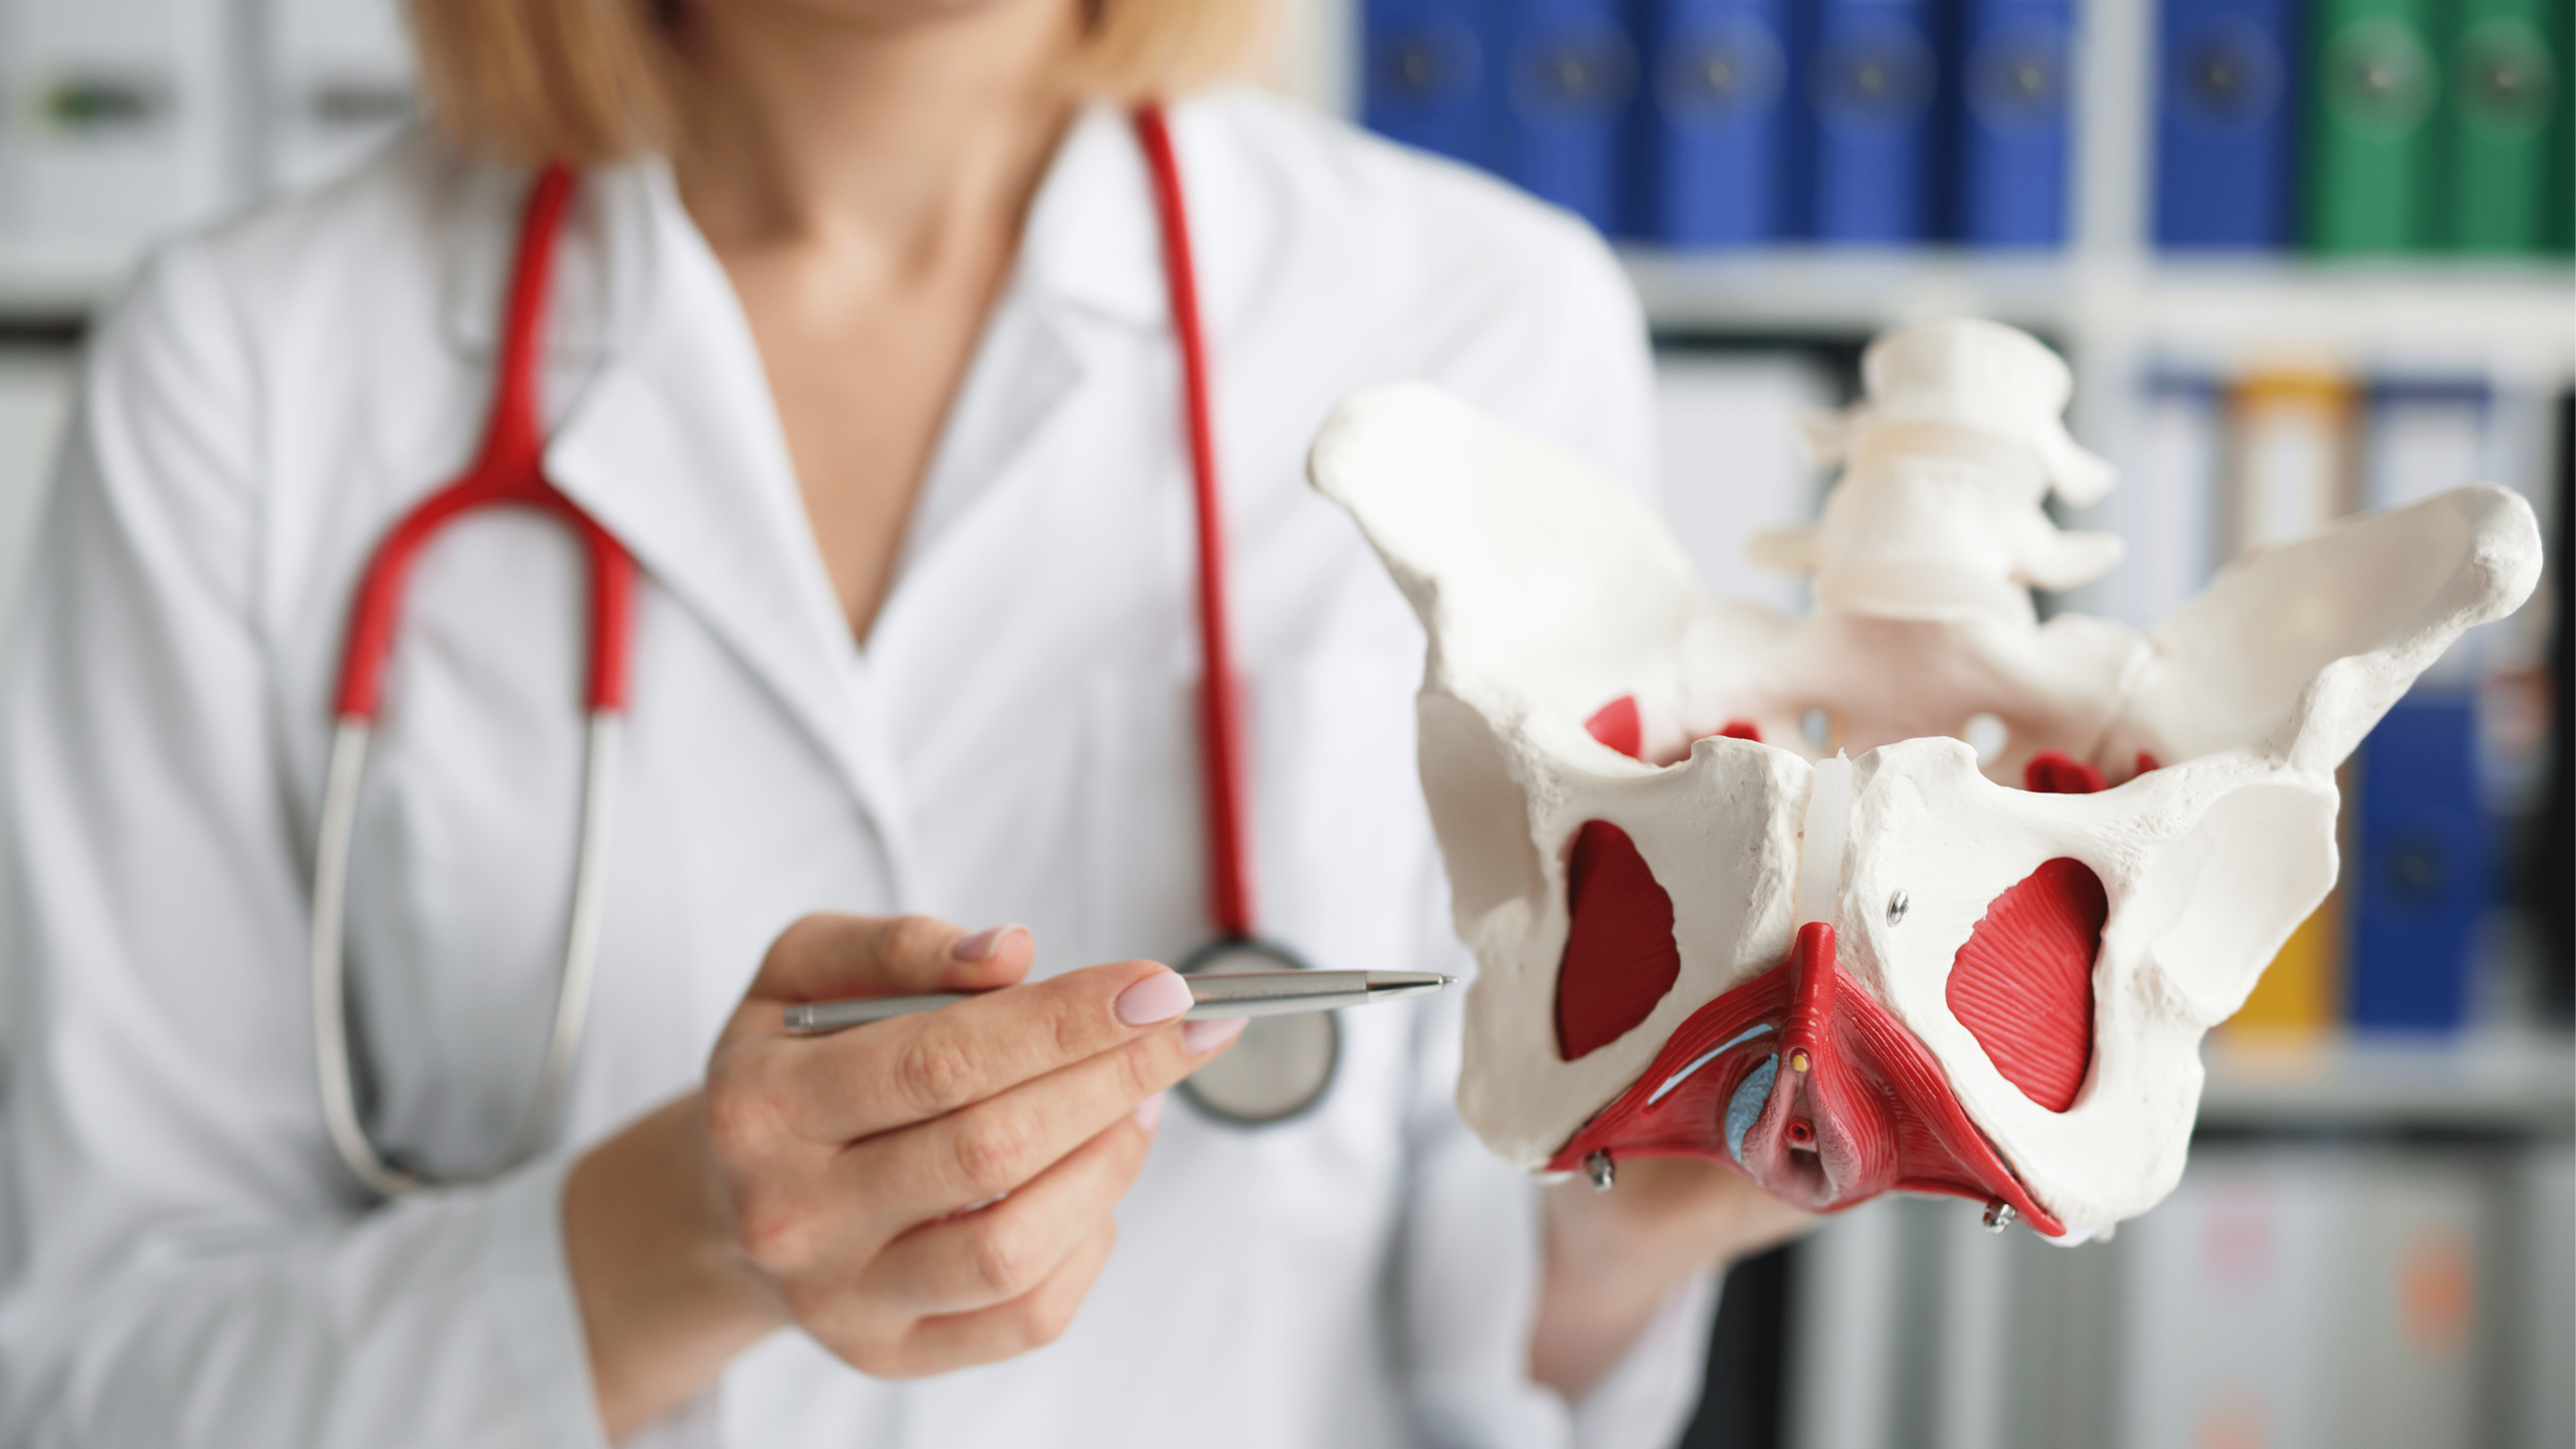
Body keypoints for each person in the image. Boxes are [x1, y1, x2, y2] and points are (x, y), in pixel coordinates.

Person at [0, 2, 1809, 1445]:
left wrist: (1654, 1209)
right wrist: (670, 1247)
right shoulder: (245, 369)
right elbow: (103, 1383)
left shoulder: (1481, 325)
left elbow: (1489, 1322)